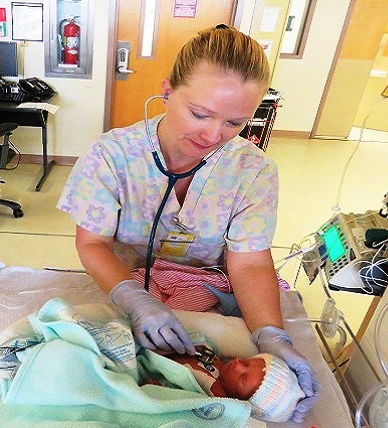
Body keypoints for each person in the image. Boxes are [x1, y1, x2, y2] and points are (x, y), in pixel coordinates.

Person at [57, 24, 319, 422]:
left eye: (235, 123)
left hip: (210, 292)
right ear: (166, 91)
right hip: (126, 281)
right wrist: (134, 299)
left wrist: (270, 335)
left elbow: (248, 262)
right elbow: (93, 244)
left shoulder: (253, 171)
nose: (214, 135)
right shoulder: (112, 156)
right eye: (200, 114)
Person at [146, 344, 305, 423]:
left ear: (243, 401)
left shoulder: (215, 402)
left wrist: (161, 392)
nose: (237, 364)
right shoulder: (220, 367)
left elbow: (182, 407)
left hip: (150, 375)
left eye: (242, 378)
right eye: (246, 362)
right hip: (157, 350)